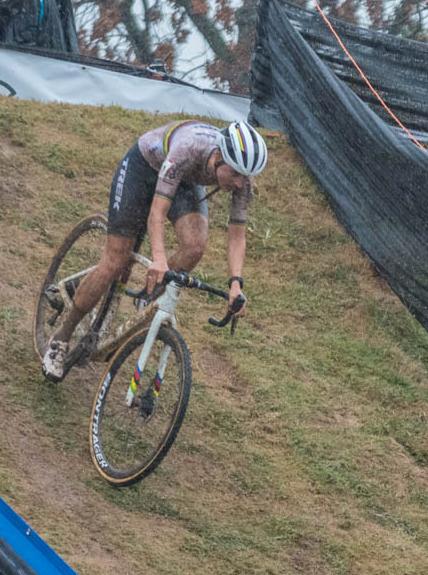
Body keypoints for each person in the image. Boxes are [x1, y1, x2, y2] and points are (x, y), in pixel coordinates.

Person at [42, 120, 268, 381]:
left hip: (183, 180)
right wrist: (159, 258)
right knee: (115, 261)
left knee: (195, 246)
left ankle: (147, 297)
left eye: (245, 177)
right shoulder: (188, 149)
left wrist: (236, 283)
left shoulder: (243, 180)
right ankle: (61, 338)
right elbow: (156, 213)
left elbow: (237, 236)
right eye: (236, 174)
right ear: (219, 157)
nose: (240, 183)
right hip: (143, 169)